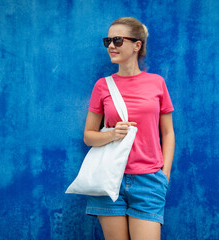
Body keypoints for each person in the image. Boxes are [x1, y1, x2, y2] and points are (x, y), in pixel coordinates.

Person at [83, 17, 175, 240]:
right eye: (108, 41)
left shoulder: (157, 83)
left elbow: (168, 133)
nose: (111, 46)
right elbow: (88, 136)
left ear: (137, 45)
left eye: (117, 40)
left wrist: (165, 175)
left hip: (148, 180)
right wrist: (113, 134)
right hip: (109, 178)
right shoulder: (102, 86)